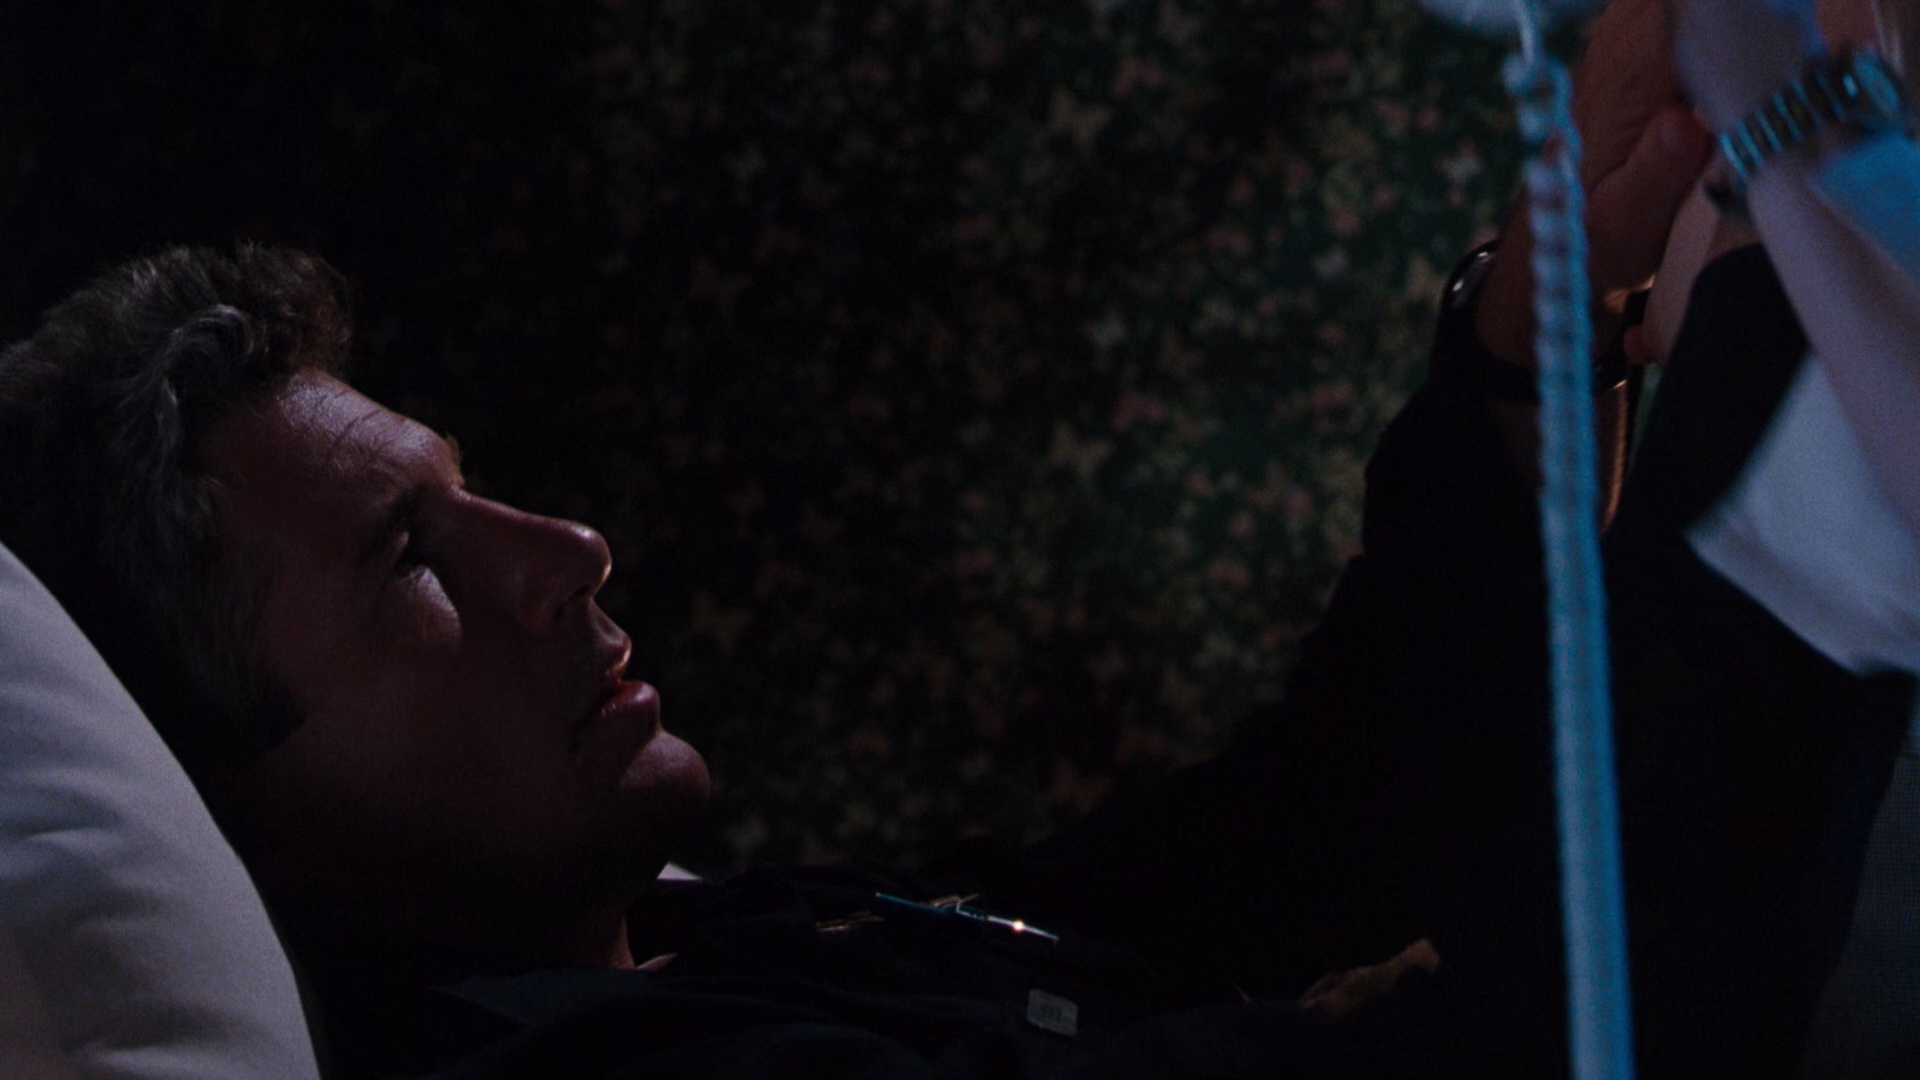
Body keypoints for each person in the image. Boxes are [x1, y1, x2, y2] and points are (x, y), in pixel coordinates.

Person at [1, 0, 1914, 1076]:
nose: (563, 548)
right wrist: (1806, 321)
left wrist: (1530, 325)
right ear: (242, 818)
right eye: (406, 561)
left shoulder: (727, 938)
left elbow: (1320, 822)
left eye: (472, 491)